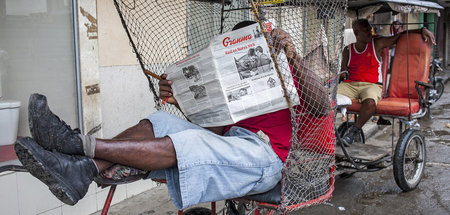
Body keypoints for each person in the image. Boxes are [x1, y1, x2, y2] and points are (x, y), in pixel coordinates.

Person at [14, 21, 330, 209]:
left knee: (191, 143)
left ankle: (75, 145)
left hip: (266, 158)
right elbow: (217, 133)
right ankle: (81, 171)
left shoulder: (290, 73)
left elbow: (321, 107)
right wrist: (180, 100)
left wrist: (293, 57)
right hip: (232, 147)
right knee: (163, 120)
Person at [338, 19, 435, 146]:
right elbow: (343, 69)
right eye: (365, 30)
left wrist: (421, 30)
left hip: (371, 85)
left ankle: (353, 132)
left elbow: (398, 36)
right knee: (327, 98)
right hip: (350, 84)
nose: (370, 33)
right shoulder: (348, 50)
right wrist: (343, 72)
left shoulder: (377, 43)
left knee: (370, 102)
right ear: (356, 32)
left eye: (370, 29)